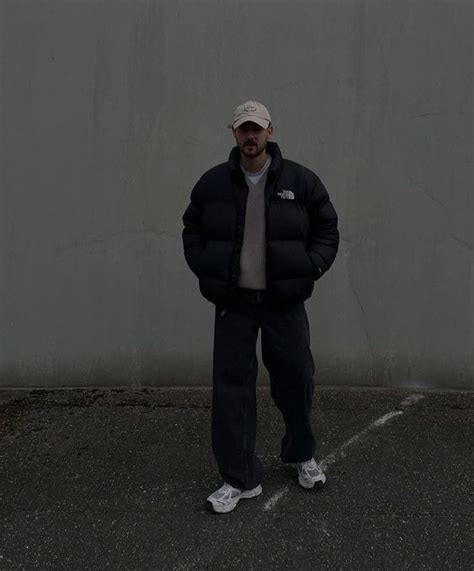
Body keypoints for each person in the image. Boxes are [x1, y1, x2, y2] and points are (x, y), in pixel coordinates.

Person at [182, 101, 339, 514]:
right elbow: (191, 229)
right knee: (232, 389)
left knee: (296, 378)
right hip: (234, 303)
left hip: (283, 300)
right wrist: (207, 270)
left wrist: (311, 266)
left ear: (270, 131)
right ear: (233, 133)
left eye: (257, 128)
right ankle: (239, 478)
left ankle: (301, 454)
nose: (250, 136)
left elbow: (327, 227)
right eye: (243, 129)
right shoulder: (212, 184)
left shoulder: (300, 181)